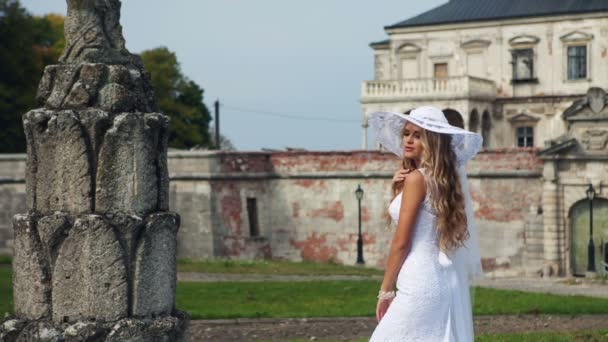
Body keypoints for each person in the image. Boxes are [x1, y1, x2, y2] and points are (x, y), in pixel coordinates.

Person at [368, 106, 483, 341]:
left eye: (418, 135)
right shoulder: (441, 181)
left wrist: (385, 290)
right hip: (439, 280)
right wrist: (398, 188)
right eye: (406, 133)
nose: (409, 140)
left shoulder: (417, 179)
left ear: (432, 141)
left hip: (418, 281)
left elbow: (401, 242)